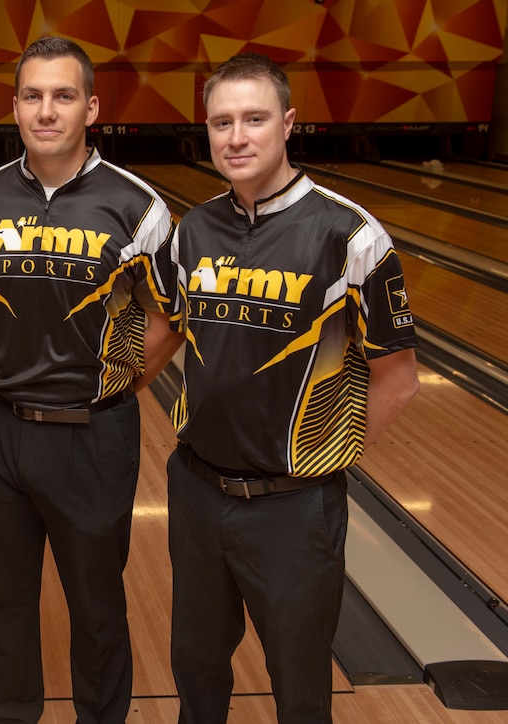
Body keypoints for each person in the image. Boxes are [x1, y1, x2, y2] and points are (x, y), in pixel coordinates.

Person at [167, 52, 420, 723]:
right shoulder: (193, 230)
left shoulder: (348, 235)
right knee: (195, 666)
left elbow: (399, 380)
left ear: (288, 124)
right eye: (222, 122)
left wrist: (320, 459)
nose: (237, 136)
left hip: (293, 508)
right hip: (196, 491)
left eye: (253, 118)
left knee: (300, 685)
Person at [0, 36, 184, 724]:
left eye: (62, 96)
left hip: (93, 436)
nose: (46, 111)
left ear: (91, 107)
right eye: (32, 96)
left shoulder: (137, 207)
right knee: (1, 602)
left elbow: (168, 317)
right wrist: (11, 354)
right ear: (15, 107)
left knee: (96, 605)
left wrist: (113, 384)